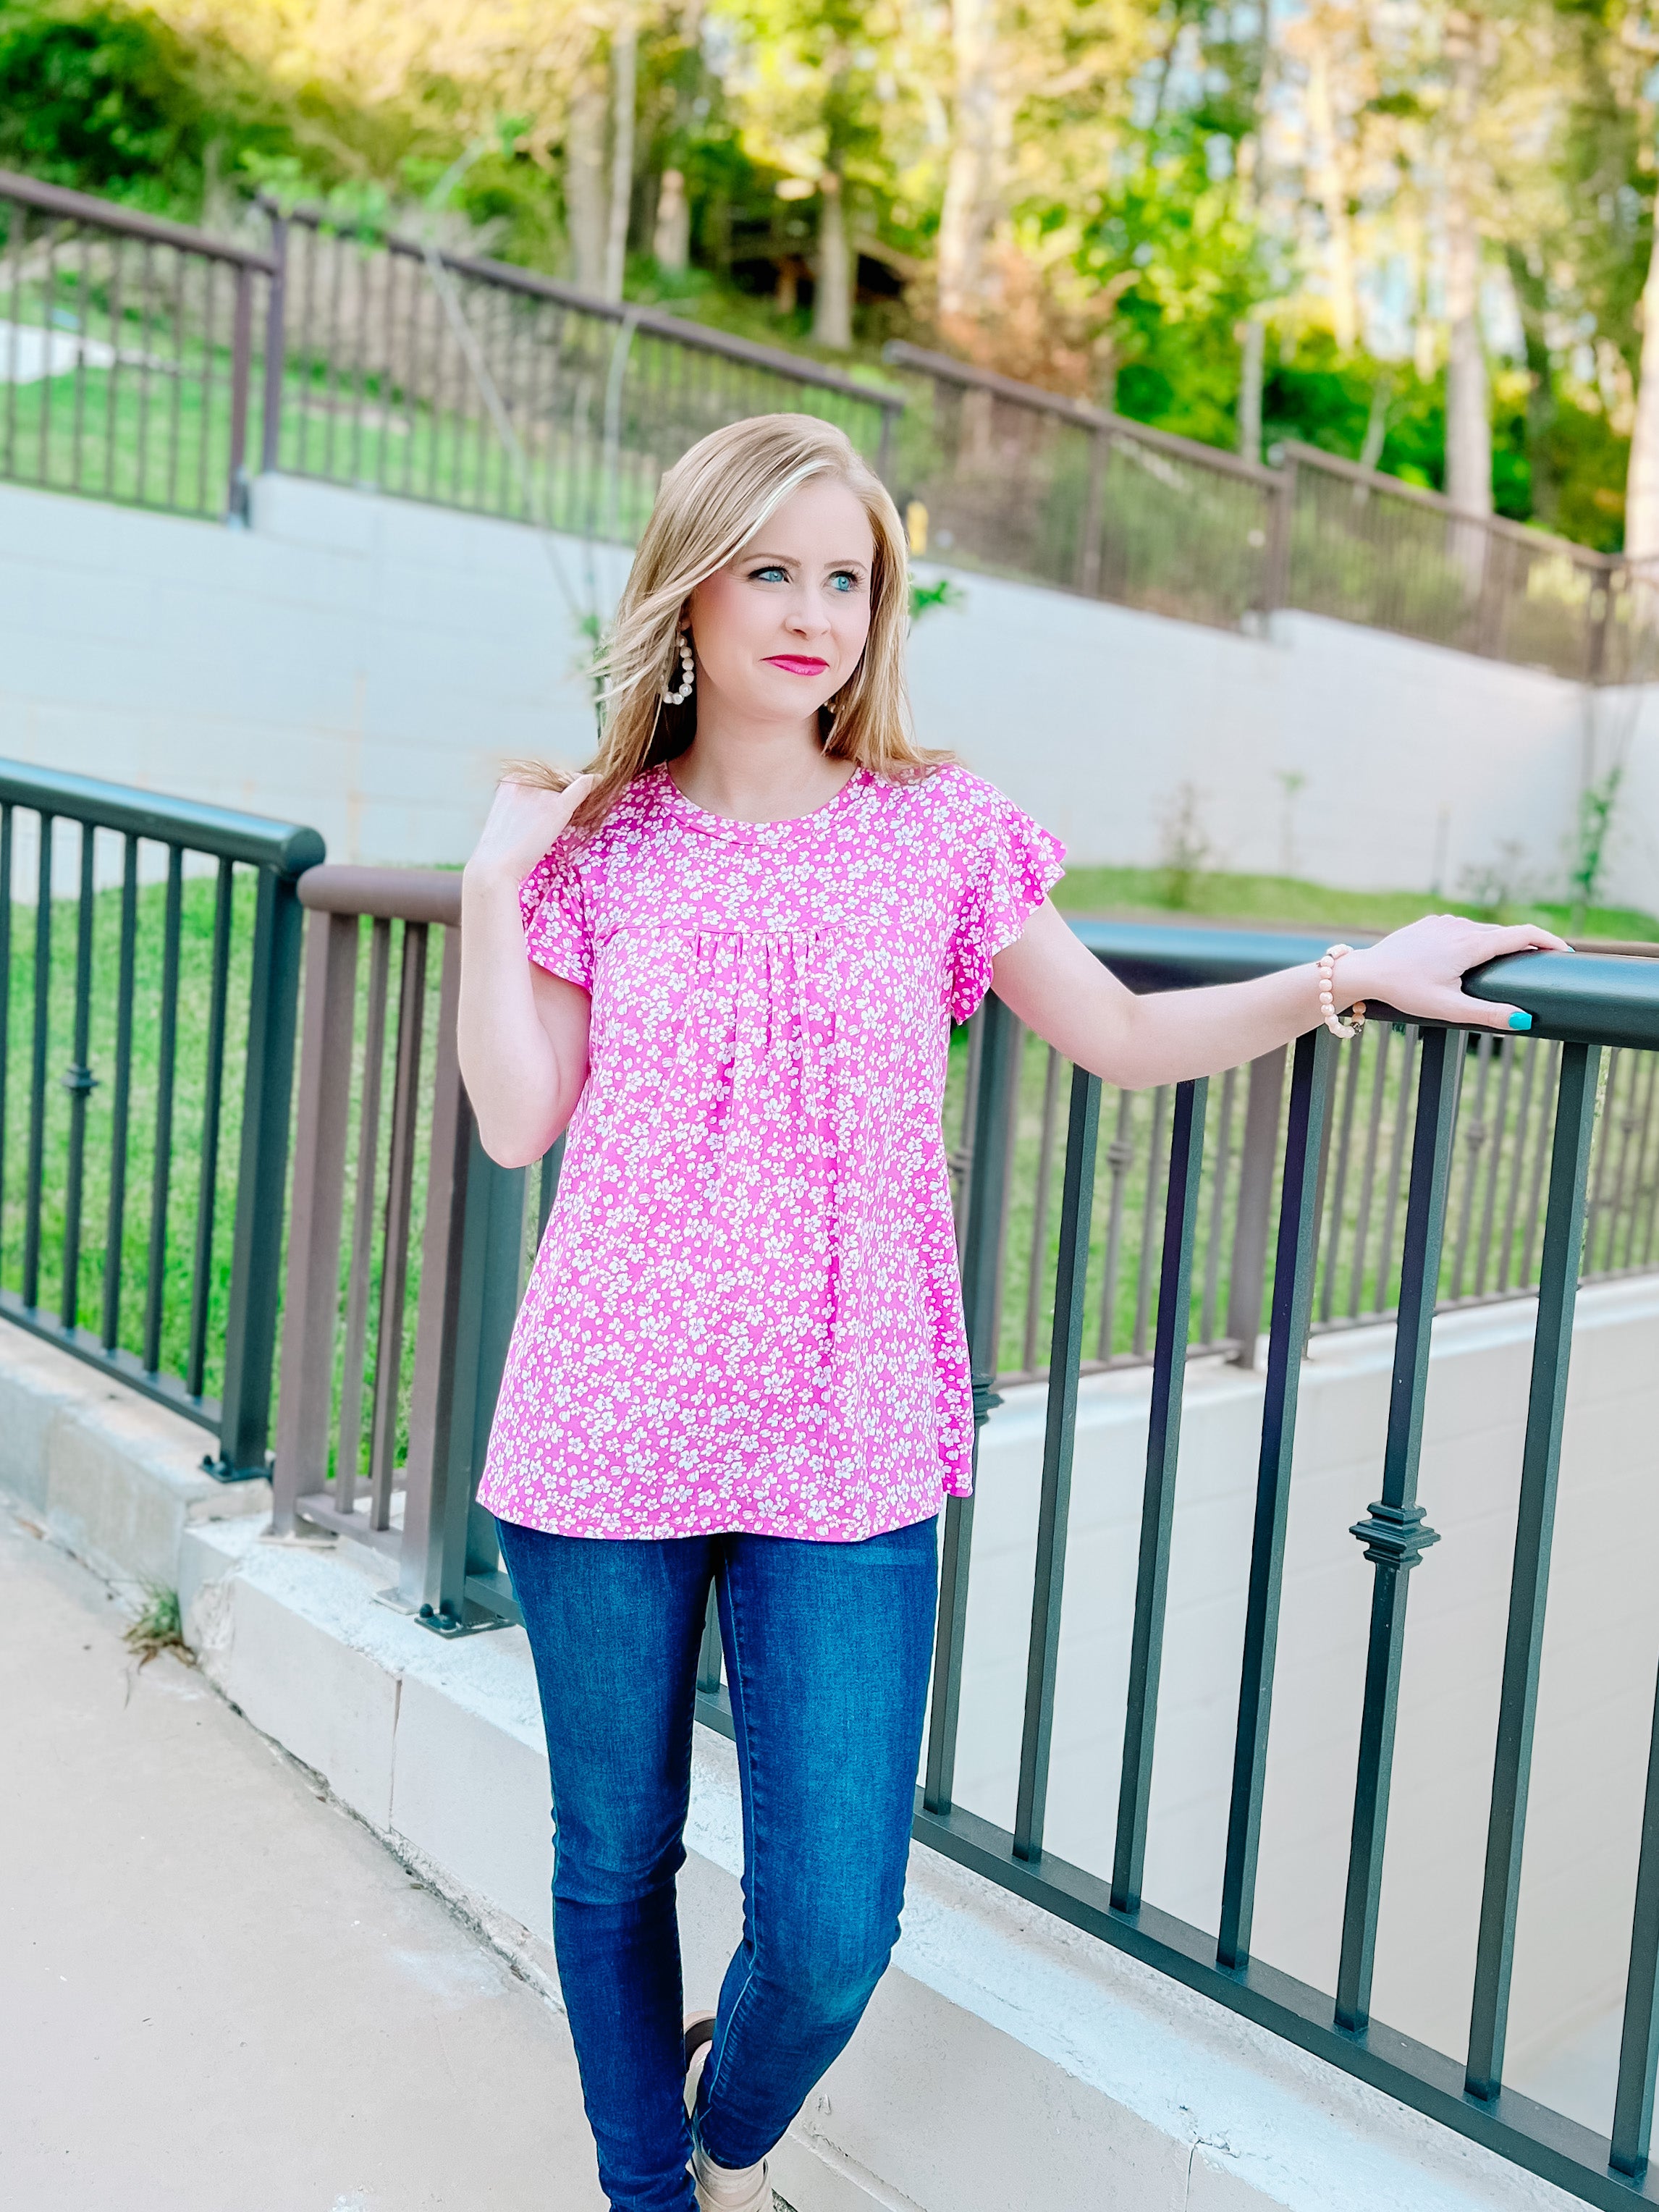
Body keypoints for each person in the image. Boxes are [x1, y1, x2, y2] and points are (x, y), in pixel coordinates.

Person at [456, 413, 1564, 2212]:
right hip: (603, 1426)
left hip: (851, 1431)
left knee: (833, 1921)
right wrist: (495, 886)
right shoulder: (596, 848)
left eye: (849, 575)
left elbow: (1123, 1035)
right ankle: (650, 2191)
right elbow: (518, 1116)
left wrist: (1350, 973)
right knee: (614, 1860)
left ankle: (716, 2125)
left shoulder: (937, 831)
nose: (815, 608)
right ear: (691, 580)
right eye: (774, 567)